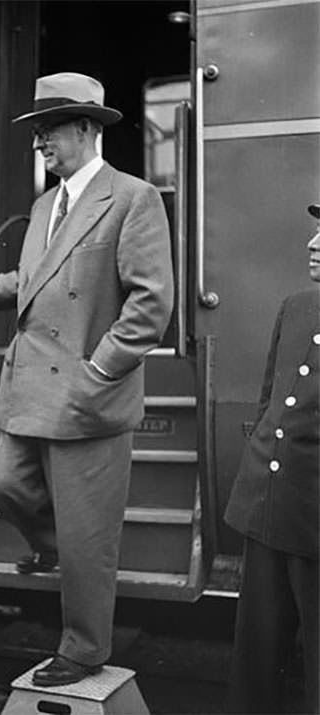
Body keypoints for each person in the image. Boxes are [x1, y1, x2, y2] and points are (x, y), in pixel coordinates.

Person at [0, 72, 173, 686]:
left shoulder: (133, 198)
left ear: (87, 129)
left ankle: (84, 649)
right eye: (36, 131)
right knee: (9, 487)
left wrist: (100, 369)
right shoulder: (45, 205)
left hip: (89, 396)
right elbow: (28, 284)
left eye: (48, 129)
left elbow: (152, 303)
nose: (39, 141)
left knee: (89, 533)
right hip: (31, 390)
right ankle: (59, 551)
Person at [225, 203, 320, 714]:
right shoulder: (298, 306)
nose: (313, 242)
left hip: (315, 518)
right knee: (256, 658)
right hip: (266, 507)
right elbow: (269, 401)